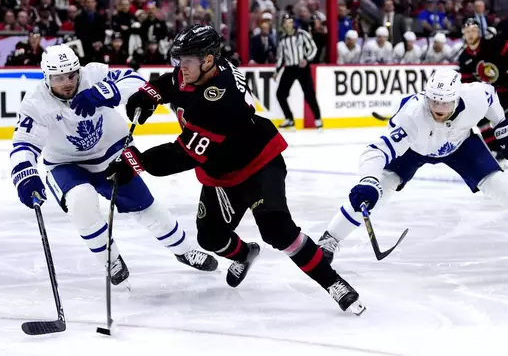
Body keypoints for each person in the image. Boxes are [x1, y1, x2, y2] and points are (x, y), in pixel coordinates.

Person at [105, 25, 366, 315]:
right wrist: (149, 93)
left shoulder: (221, 99)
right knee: (210, 238)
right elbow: (172, 82)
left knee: (278, 230)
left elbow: (183, 154)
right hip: (221, 172)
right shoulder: (200, 69)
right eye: (179, 60)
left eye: (187, 61)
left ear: (207, 60)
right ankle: (245, 253)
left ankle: (334, 283)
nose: (181, 67)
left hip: (258, 165)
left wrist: (135, 162)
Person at [9, 44, 218, 286]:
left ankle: (184, 250)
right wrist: (26, 177)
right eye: (58, 77)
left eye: (71, 75)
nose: (67, 82)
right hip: (66, 164)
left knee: (145, 205)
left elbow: (136, 81)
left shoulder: (93, 74)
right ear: (46, 77)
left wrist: (103, 92)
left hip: (110, 155)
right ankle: (111, 259)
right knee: (81, 201)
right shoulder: (35, 103)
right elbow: (23, 144)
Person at [317, 68, 508, 264]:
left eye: (444, 102)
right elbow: (376, 151)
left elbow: (490, 95)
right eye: (434, 101)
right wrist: (368, 181)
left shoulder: (474, 96)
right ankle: (330, 238)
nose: (438, 109)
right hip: (415, 149)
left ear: (457, 97)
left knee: (502, 187)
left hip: (460, 144)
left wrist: (502, 124)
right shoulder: (412, 117)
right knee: (381, 188)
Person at [459, 19, 508, 163]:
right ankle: (497, 153)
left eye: (473, 30)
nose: (470, 34)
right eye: (467, 31)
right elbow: (466, 80)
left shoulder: (493, 44)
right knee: (482, 122)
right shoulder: (464, 57)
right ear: (463, 34)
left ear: (479, 32)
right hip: (490, 95)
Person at [274, 14, 321, 129]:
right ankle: (289, 118)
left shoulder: (302, 34)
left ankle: (318, 119)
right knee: (280, 94)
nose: (287, 24)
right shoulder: (283, 39)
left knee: (309, 94)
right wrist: (277, 71)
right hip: (289, 68)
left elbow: (313, 48)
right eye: (285, 22)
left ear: (293, 23)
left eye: (289, 22)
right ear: (283, 25)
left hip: (302, 68)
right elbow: (281, 57)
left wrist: (307, 59)